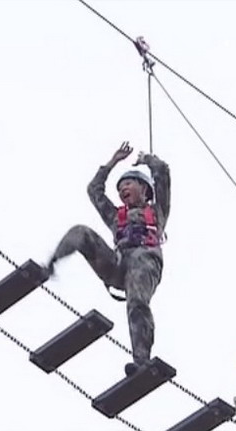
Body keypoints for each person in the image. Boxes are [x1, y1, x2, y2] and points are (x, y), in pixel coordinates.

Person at [45, 141, 171, 376]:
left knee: (137, 303)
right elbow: (94, 190)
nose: (123, 189)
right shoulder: (116, 216)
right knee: (81, 232)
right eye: (120, 187)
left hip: (144, 262)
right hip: (118, 264)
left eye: (129, 184)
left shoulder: (157, 212)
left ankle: (141, 360)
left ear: (144, 189)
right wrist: (113, 162)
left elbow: (162, 172)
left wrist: (146, 160)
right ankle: (50, 265)